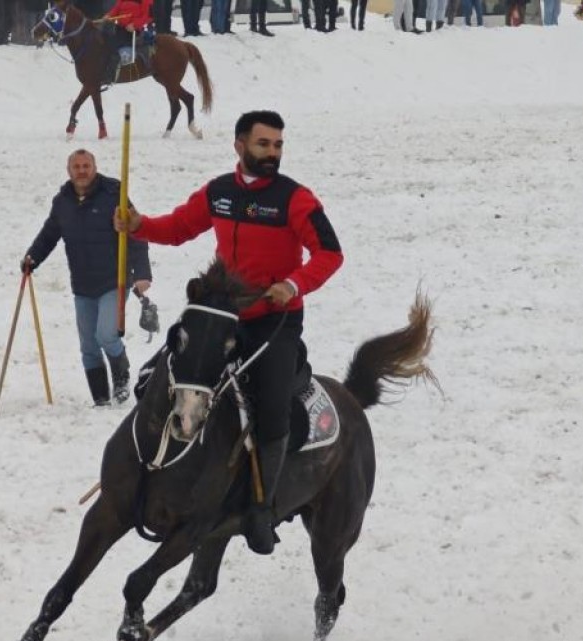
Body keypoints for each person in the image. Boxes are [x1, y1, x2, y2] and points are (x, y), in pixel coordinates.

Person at [115, 110, 344, 556]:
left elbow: (329, 253)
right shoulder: (219, 193)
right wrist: (140, 225)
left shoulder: (295, 199)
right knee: (163, 377)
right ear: (239, 145)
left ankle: (261, 507)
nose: (272, 154)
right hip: (223, 316)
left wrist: (293, 283)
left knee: (272, 407)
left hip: (274, 321)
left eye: (278, 145)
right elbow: (180, 227)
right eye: (263, 145)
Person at [23, 149, 153, 407]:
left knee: (106, 334)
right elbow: (50, 233)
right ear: (69, 171)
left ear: (94, 167)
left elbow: (136, 231)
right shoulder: (63, 201)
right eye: (77, 167)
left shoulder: (114, 193)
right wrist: (32, 258)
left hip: (113, 280)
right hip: (82, 284)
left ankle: (121, 377)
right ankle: (100, 399)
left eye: (86, 166)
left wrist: (142, 273)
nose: (82, 171)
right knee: (89, 346)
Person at [101, 0, 151, 80]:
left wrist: (134, 24)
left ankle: (110, 75)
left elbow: (148, 16)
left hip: (133, 30)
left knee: (114, 49)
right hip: (120, 28)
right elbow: (117, 8)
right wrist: (109, 15)